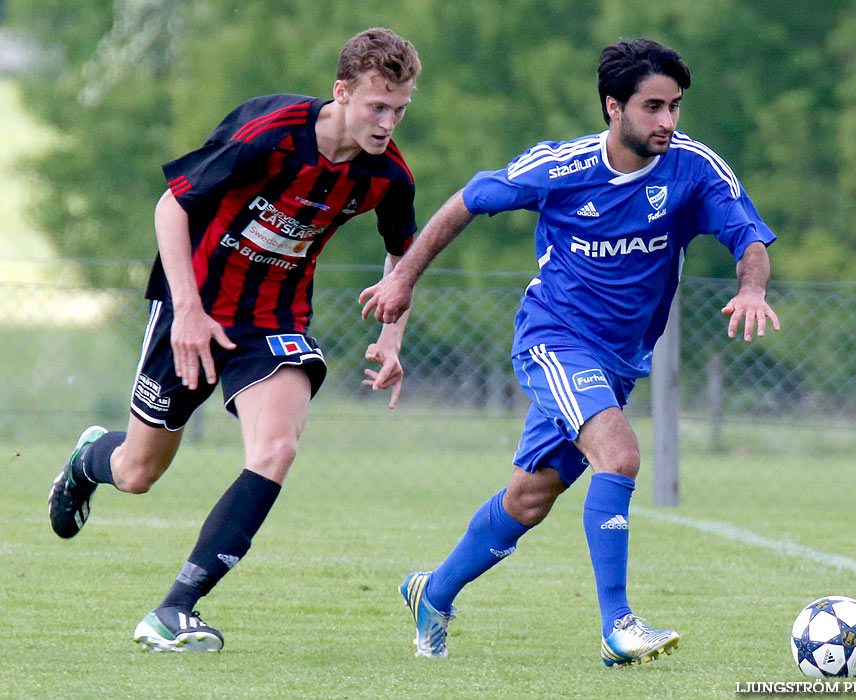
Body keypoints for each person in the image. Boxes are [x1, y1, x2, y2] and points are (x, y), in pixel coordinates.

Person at [360, 38, 781, 666]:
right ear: (614, 107)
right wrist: (403, 277)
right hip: (553, 339)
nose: (667, 121)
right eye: (653, 107)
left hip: (618, 362)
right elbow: (467, 201)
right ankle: (619, 627)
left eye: (674, 107)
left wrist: (752, 288)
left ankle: (434, 592)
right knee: (621, 454)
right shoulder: (560, 167)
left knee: (528, 499)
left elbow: (747, 236)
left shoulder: (695, 169)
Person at [47, 27, 421, 652]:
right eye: (377, 107)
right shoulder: (273, 133)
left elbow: (402, 259)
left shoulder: (388, 177)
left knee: (275, 449)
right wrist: (187, 311)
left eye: (400, 109)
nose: (387, 123)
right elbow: (172, 206)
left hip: (274, 321)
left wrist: (391, 336)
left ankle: (173, 610)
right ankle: (90, 460)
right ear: (342, 92)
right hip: (192, 306)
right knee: (137, 472)